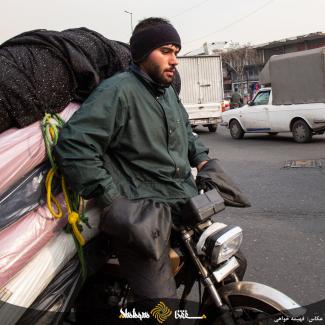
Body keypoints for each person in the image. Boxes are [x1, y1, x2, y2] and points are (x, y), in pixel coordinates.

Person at [54, 17, 248, 306]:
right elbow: (73, 144)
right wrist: (112, 198)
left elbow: (185, 131)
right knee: (162, 310)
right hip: (143, 217)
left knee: (233, 264)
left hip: (183, 203)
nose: (175, 60)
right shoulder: (118, 91)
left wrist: (203, 161)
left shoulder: (168, 93)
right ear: (143, 54)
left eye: (177, 52)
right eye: (166, 51)